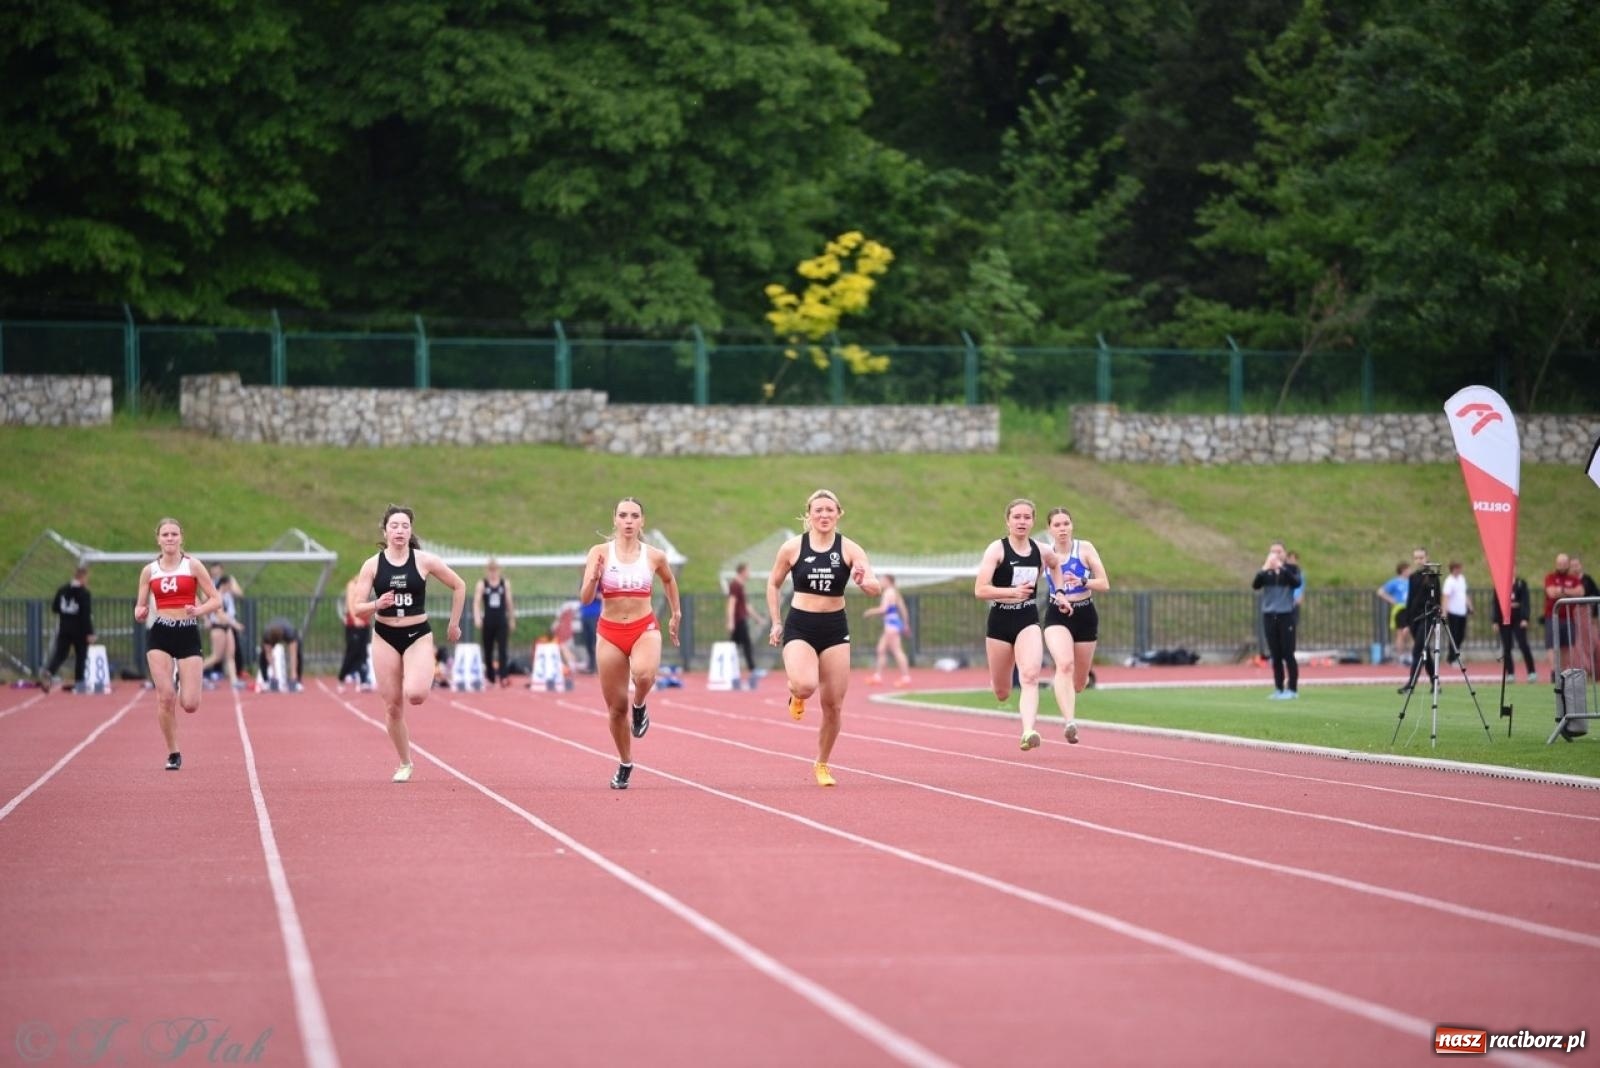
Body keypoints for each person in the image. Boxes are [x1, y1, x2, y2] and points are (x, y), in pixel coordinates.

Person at [766, 489, 881, 786]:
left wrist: (863, 581)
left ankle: (822, 763)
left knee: (833, 705)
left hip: (834, 628)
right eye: (818, 510)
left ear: (839, 513)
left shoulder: (850, 549)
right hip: (800, 625)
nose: (824, 515)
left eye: (830, 510)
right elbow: (773, 583)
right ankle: (796, 694)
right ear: (809, 514)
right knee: (805, 686)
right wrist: (776, 622)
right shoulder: (792, 548)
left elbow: (874, 586)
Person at [347, 505, 466, 783]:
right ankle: (404, 762)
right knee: (392, 707)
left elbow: (459, 585)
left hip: (417, 634)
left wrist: (453, 623)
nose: (399, 531)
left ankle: (419, 672)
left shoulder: (424, 561)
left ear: (410, 531)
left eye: (405, 526)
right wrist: (377, 604)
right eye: (394, 526)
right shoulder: (372, 565)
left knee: (416, 694)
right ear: (385, 530)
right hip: (385, 636)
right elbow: (357, 608)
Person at [579, 497, 683, 790]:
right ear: (614, 519)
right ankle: (625, 762)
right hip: (610, 632)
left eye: (634, 516)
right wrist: (593, 580)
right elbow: (585, 599)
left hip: (643, 627)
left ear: (642, 522)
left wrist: (676, 613)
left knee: (644, 674)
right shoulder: (599, 553)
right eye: (623, 515)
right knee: (615, 709)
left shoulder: (654, 556)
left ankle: (641, 704)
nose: (628, 521)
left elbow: (669, 581)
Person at [132, 518, 223, 771]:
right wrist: (139, 612)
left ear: (181, 537)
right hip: (160, 633)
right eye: (165, 534)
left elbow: (216, 600)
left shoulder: (193, 566)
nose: (170, 538)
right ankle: (173, 752)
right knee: (165, 697)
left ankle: (183, 678)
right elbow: (140, 605)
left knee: (190, 704)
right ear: (158, 539)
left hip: (187, 633)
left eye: (174, 534)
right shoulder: (150, 571)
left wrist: (198, 609)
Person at [974, 498, 1063, 749]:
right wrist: (1011, 592)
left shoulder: (1043, 551)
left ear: (1033, 521)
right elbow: (980, 590)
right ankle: (999, 684)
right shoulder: (997, 550)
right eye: (1017, 517)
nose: (1022, 522)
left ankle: (1028, 731)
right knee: (1002, 691)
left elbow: (1056, 566)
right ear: (1008, 521)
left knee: (1030, 675)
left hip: (1027, 618)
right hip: (1000, 621)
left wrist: (1060, 593)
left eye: (1027, 517)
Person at [1041, 507, 1110, 743]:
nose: (1062, 529)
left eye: (1066, 524)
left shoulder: (1085, 549)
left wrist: (1082, 580)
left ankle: (1071, 691)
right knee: (1064, 664)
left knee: (1080, 682)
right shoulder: (1045, 553)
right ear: (1049, 529)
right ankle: (1070, 722)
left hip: (1085, 613)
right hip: (1057, 614)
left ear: (1072, 526)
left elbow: (1104, 583)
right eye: (1057, 525)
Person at [1252, 541, 1301, 700]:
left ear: (1284, 554)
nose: (1276, 554)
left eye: (1279, 551)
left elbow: (1296, 582)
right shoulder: (1266, 573)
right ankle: (1278, 688)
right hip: (1269, 615)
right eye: (1273, 552)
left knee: (1288, 654)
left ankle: (1292, 689)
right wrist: (1265, 568)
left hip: (1286, 615)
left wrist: (1282, 567)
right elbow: (1256, 585)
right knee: (1275, 655)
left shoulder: (1291, 569)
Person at [40, 566, 95, 693]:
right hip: (79, 630)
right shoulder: (84, 593)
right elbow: (85, 615)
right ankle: (79, 684)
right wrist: (90, 632)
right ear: (83, 577)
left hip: (64, 628)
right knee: (81, 656)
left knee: (60, 654)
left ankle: (49, 672)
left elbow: (54, 608)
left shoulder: (62, 590)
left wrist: (66, 614)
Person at [1400, 547, 1440, 694]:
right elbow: (1409, 600)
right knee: (1426, 652)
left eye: (1421, 557)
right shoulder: (1413, 577)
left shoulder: (1433, 576)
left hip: (1427, 618)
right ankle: (1436, 684)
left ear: (1427, 557)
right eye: (1416, 558)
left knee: (1417, 650)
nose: (1419, 560)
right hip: (1414, 620)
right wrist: (1405, 622)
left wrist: (1435, 619)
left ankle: (1411, 685)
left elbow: (1436, 599)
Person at [472, 558, 515, 687]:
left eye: (495, 570)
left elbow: (509, 602)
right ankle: (490, 676)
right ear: (487, 571)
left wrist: (512, 619)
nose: (493, 573)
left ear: (499, 571)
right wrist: (477, 617)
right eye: (491, 570)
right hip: (489, 620)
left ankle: (503, 676)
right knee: (488, 649)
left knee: (503, 649)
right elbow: (476, 602)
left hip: (501, 620)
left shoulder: (504, 583)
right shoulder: (482, 584)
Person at [1542, 553, 1583, 684]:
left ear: (1568, 564)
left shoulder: (1573, 578)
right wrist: (1569, 592)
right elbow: (1551, 593)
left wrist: (1563, 590)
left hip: (1568, 617)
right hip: (1552, 617)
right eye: (1560, 563)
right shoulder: (1550, 577)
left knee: (1567, 645)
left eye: (1564, 563)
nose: (1562, 566)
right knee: (1552, 645)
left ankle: (1564, 672)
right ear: (1556, 564)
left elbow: (1580, 592)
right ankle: (1554, 671)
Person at [865, 574, 912, 687]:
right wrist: (905, 624)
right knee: (881, 649)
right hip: (893, 624)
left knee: (897, 651)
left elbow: (884, 609)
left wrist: (870, 612)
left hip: (891, 625)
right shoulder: (895, 592)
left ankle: (906, 678)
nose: (880, 582)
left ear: (888, 581)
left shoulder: (888, 593)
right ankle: (877, 676)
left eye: (882, 580)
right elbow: (903, 609)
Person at [201, 565, 244, 690]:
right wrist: (235, 624)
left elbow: (230, 612)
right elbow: (220, 615)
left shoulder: (228, 596)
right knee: (216, 656)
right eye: (230, 585)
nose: (231, 587)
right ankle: (195, 675)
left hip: (227, 627)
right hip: (218, 627)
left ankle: (234, 681)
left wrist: (232, 624)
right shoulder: (217, 596)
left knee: (230, 655)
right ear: (224, 584)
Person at [1491, 574, 1536, 682]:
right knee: (1506, 647)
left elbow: (1525, 601)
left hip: (1518, 619)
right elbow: (1496, 603)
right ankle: (1510, 673)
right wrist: (1495, 621)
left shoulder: (1521, 583)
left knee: (1523, 644)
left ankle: (1531, 672)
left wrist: (1525, 618)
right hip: (1505, 620)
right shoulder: (1500, 583)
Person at [725, 562, 765, 677]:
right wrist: (731, 621)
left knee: (734, 645)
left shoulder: (740, 586)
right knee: (745, 644)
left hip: (741, 619)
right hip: (738, 620)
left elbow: (746, 606)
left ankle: (729, 668)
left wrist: (757, 618)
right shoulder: (735, 585)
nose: (749, 574)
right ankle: (752, 669)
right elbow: (731, 604)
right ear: (742, 571)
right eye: (748, 571)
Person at [337, 574, 374, 691]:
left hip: (364, 623)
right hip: (354, 625)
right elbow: (350, 603)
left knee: (363, 653)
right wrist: (355, 618)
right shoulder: (352, 585)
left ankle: (363, 680)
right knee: (352, 652)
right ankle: (342, 677)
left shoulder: (367, 586)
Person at [1569, 555, 1600, 676]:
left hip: (1586, 617)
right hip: (1572, 617)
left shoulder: (1587, 579)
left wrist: (1594, 617)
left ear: (1581, 566)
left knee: (1591, 642)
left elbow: (1596, 595)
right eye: (1572, 566)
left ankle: (1591, 670)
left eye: (1577, 565)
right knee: (1577, 645)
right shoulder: (1570, 580)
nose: (1575, 568)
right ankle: (1581, 670)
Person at [1376, 563, 1411, 664]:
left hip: (1410, 609)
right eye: (1408, 570)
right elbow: (1380, 591)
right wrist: (1392, 600)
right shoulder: (1395, 582)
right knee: (1401, 632)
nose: (1410, 572)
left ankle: (1408, 654)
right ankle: (1400, 656)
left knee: (1410, 632)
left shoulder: (1411, 581)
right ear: (1403, 570)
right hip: (1400, 609)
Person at [259, 617, 304, 691]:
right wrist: (274, 675)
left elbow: (293, 656)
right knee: (262, 655)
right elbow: (268, 655)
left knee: (298, 654)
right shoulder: (266, 635)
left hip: (288, 631)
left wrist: (293, 676)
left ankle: (298, 681)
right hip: (271, 634)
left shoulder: (290, 633)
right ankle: (266, 681)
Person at [1441, 561, 1471, 665]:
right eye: (1457, 568)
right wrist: (1444, 612)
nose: (1459, 570)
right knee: (1454, 635)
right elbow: (1445, 597)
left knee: (1461, 635)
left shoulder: (1462, 579)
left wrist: (1470, 606)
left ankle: (1454, 656)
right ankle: (1452, 658)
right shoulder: (1449, 581)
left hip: (1462, 611)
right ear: (1453, 569)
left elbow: (1464, 594)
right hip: (1453, 612)